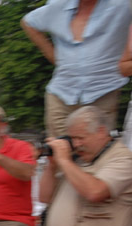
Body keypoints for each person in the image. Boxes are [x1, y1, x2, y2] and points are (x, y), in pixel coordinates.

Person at [22, 0, 132, 137]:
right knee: (59, 149)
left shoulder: (121, 5)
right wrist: (54, 57)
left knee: (96, 152)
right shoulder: (59, 5)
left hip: (102, 92)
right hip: (61, 93)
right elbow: (28, 22)